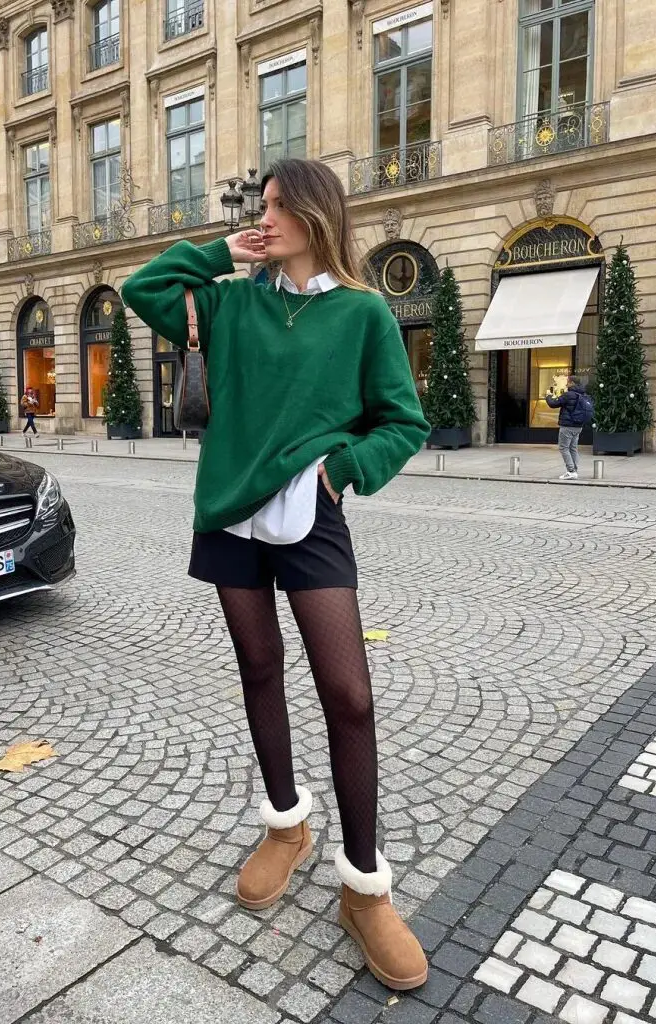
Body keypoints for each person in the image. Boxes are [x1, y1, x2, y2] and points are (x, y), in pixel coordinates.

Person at [122, 158, 430, 991]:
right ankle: (286, 826)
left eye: (274, 206)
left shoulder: (363, 313)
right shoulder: (229, 301)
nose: (263, 216)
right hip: (230, 509)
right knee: (258, 668)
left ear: (311, 213)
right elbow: (144, 291)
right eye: (256, 207)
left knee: (349, 694)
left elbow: (404, 421)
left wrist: (342, 471)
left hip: (309, 514)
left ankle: (364, 886)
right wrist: (220, 250)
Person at [546, 375, 589, 479]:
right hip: (578, 426)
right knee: (573, 448)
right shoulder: (583, 394)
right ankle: (574, 470)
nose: (566, 384)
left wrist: (548, 396)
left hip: (567, 426)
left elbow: (553, 404)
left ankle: (571, 471)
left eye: (568, 382)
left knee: (564, 448)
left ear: (572, 383)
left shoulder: (568, 395)